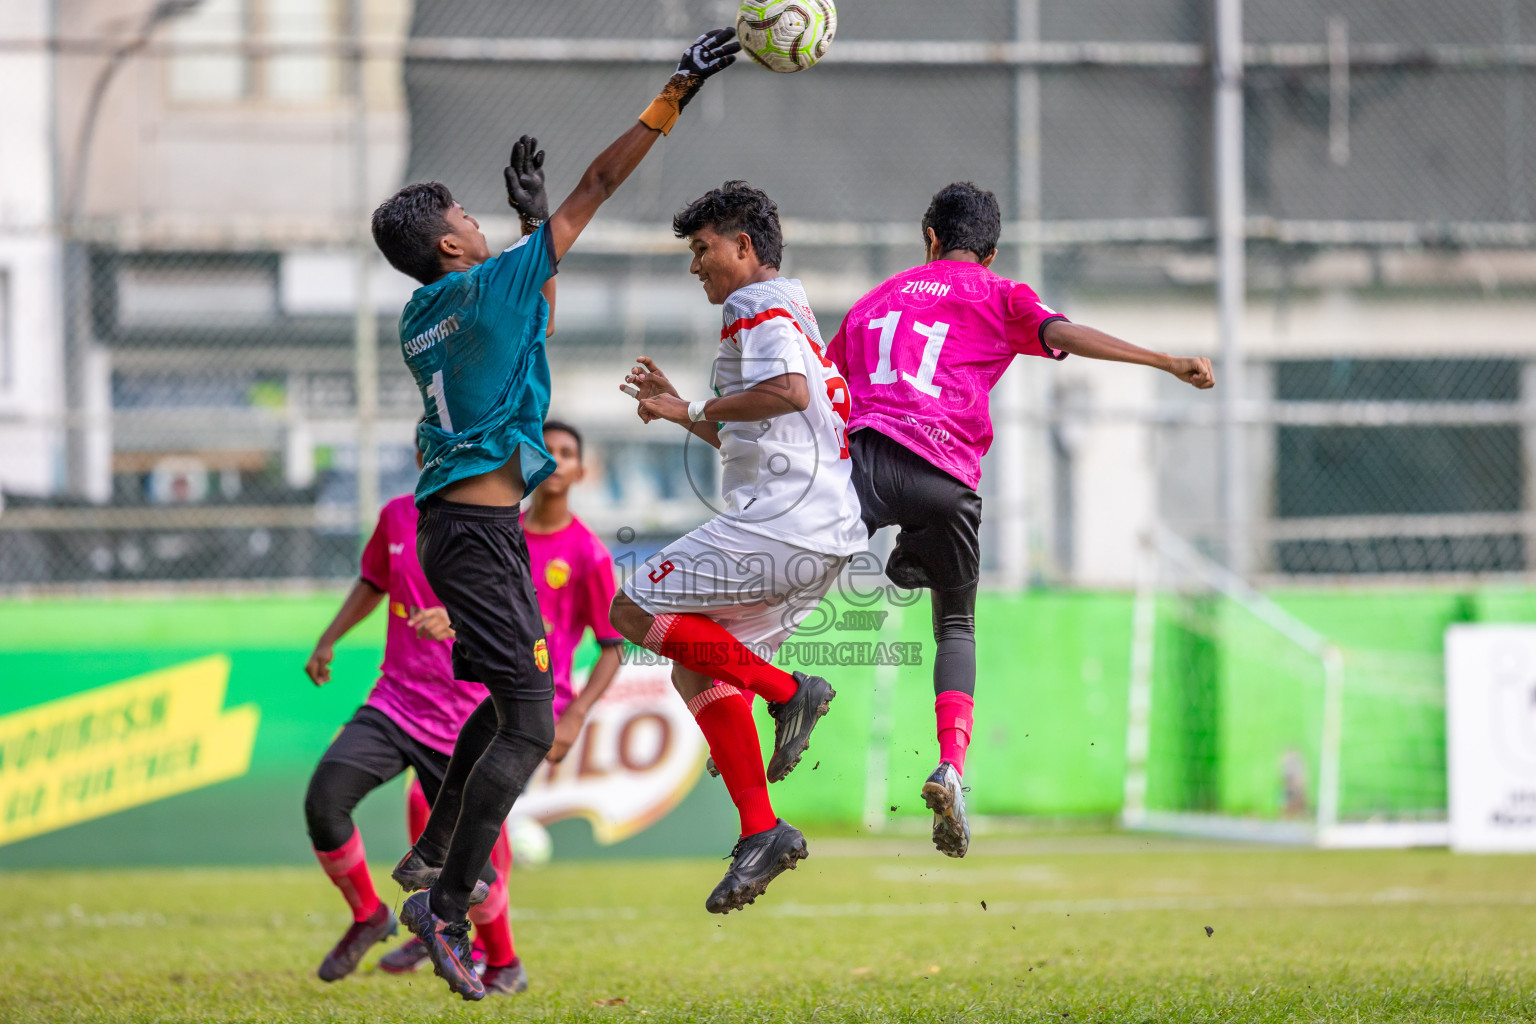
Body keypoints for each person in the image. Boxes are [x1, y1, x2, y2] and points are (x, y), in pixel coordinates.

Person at [367, 28, 740, 1000]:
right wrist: (677, 88)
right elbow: (597, 186)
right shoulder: (490, 284)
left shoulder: (422, 315)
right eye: (467, 217)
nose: (481, 225)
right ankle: (447, 900)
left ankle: (434, 855)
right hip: (482, 539)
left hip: (458, 529)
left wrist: (535, 241)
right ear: (453, 244)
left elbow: (524, 324)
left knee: (503, 707)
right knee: (530, 725)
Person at [825, 181, 1216, 859]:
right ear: (993, 250)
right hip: (945, 477)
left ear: (928, 237)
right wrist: (1164, 360)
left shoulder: (873, 301)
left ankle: (756, 687)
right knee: (955, 623)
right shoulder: (998, 294)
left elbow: (821, 390)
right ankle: (951, 766)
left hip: (863, 464)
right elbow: (1062, 332)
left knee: (795, 577)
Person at [611, 181, 865, 914]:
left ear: (744, 247)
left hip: (782, 525)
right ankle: (763, 834)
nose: (697, 266)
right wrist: (683, 411)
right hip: (817, 532)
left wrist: (685, 403)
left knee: (628, 606)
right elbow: (755, 430)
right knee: (695, 669)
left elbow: (785, 390)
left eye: (703, 249)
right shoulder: (789, 307)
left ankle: (791, 692)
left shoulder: (753, 304)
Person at [379, 418, 625, 979]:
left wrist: (576, 717)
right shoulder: (501, 531)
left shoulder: (586, 553)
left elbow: (613, 646)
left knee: (469, 809)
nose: (558, 461)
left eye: (569, 453)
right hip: (494, 692)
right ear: (532, 460)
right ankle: (473, 932)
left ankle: (486, 942)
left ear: (581, 471)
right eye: (550, 450)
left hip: (542, 702)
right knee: (447, 803)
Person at [301, 463, 524, 995]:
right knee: (324, 803)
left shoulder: (496, 521)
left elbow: (520, 604)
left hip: (461, 721)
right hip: (394, 703)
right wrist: (328, 638)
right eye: (430, 445)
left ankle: (506, 962)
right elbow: (373, 581)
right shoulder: (397, 515)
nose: (439, 455)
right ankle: (368, 915)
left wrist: (457, 617)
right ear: (424, 455)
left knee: (473, 870)